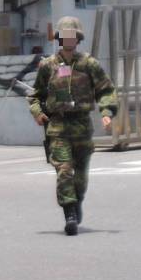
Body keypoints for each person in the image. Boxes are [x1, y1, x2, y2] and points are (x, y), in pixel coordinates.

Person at [28, 16, 117, 236]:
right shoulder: (48, 65)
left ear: (78, 38)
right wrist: (38, 113)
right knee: (64, 171)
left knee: (80, 176)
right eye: (65, 35)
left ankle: (77, 202)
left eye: (73, 35)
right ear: (59, 38)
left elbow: (106, 90)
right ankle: (69, 213)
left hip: (82, 126)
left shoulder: (89, 64)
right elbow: (35, 95)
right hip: (58, 127)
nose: (69, 39)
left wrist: (107, 112)